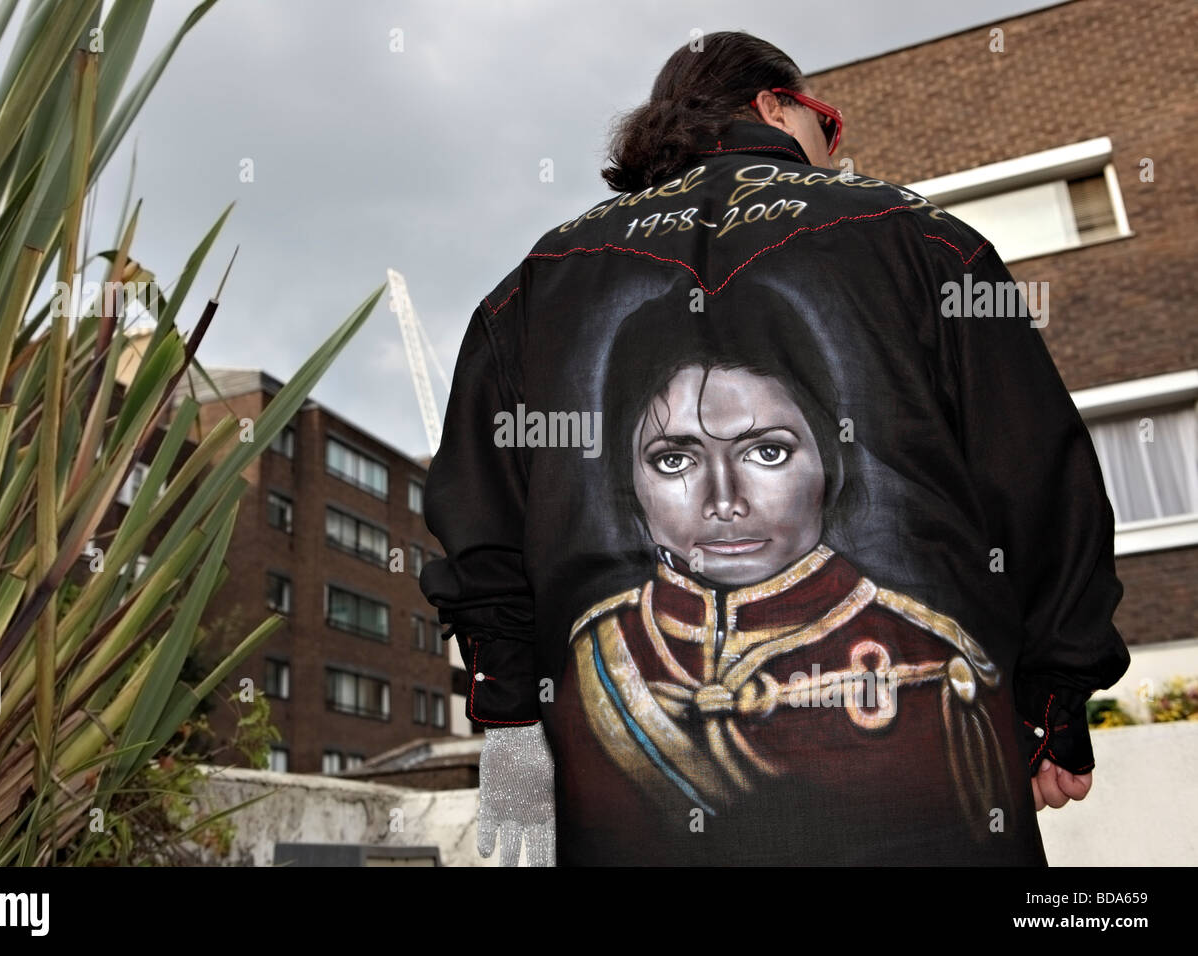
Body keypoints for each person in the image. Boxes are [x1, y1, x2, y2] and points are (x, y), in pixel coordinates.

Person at [420, 30, 1130, 866]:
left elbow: (481, 531)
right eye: (674, 458)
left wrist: (508, 721)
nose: (724, 499)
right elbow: (1041, 481)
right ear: (772, 105)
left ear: (829, 458)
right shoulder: (923, 241)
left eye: (766, 450)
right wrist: (1056, 699)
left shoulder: (536, 284)